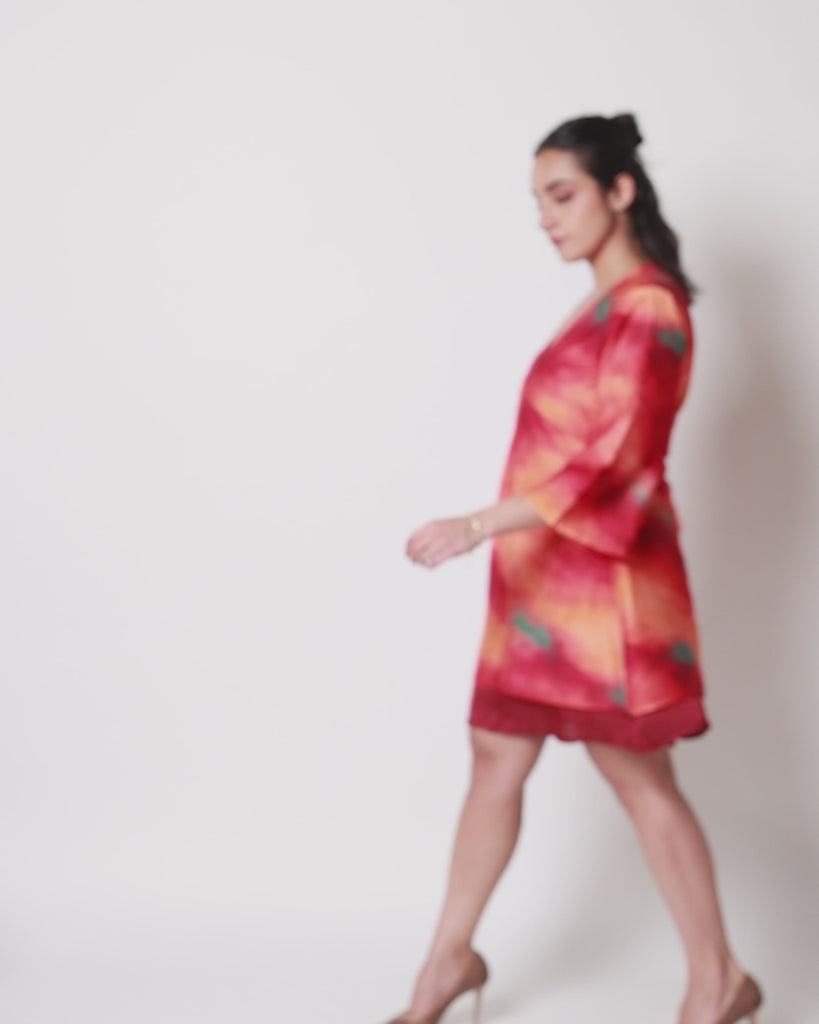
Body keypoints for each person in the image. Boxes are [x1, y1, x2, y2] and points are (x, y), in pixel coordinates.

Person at [389, 113, 764, 1024]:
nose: (546, 218)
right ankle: (446, 965)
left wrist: (475, 524)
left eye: (561, 196)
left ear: (619, 191)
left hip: (610, 591)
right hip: (537, 586)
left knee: (637, 777)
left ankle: (718, 982)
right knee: (494, 756)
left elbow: (613, 463)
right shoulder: (599, 304)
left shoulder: (650, 308)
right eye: (537, 202)